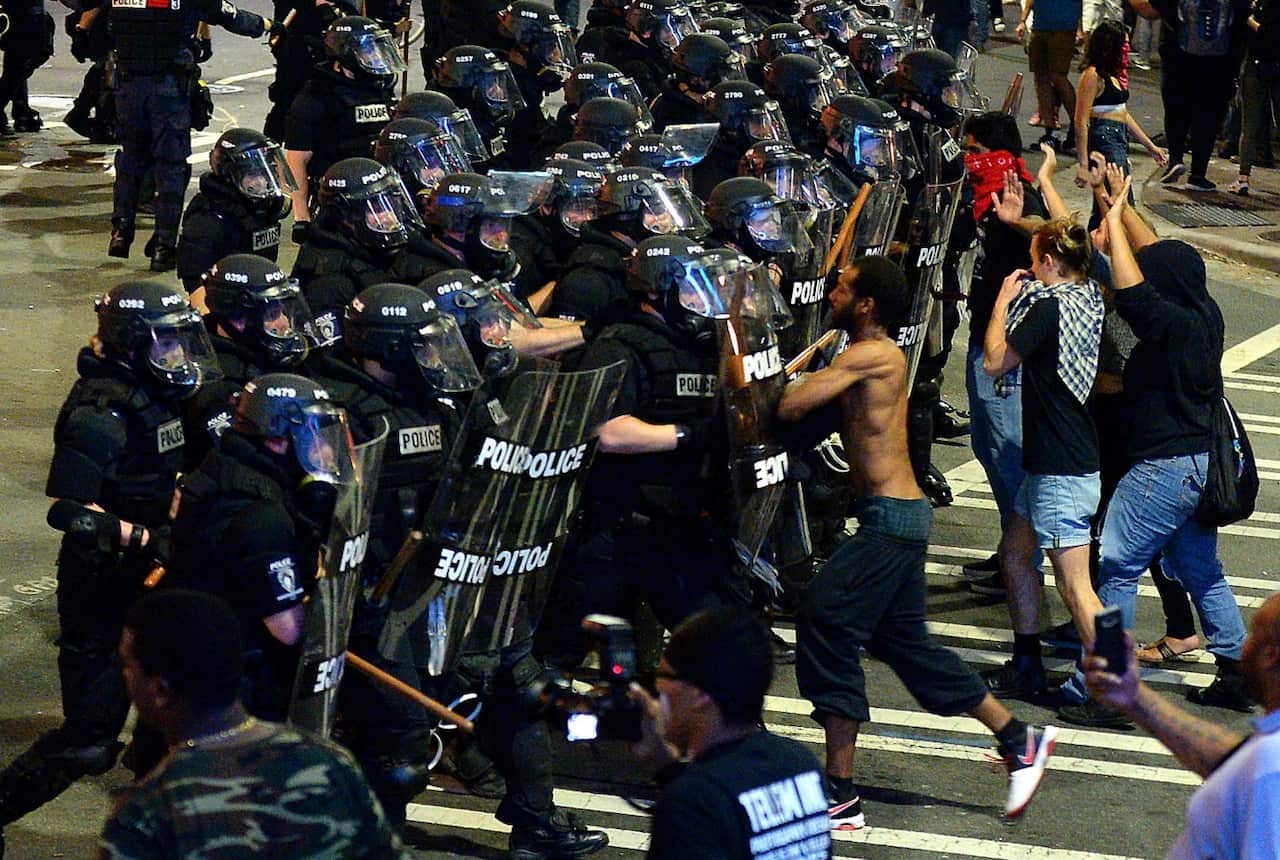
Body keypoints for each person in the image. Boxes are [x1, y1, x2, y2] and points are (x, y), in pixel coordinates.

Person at [778, 255, 1058, 830]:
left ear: (867, 304)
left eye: (842, 286)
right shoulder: (858, 349)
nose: (831, 290)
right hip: (895, 517)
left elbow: (791, 404)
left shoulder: (873, 355)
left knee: (825, 618)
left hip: (891, 522)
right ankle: (1017, 739)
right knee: (909, 647)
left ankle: (841, 794)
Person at [0, 282, 214, 848]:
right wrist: (142, 535)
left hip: (155, 576)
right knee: (91, 740)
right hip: (102, 580)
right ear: (130, 343)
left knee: (179, 718)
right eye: (165, 345)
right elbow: (69, 509)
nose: (177, 357)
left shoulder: (157, 394)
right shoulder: (101, 408)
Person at [1058, 182, 1251, 725]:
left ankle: (1108, 689)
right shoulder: (1202, 314)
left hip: (1162, 469)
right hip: (1195, 466)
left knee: (1116, 567)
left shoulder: (1166, 325)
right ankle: (1235, 669)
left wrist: (1116, 220)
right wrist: (1118, 207)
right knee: (1199, 568)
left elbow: (1137, 289)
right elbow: (1156, 257)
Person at [99, 589, 410, 859]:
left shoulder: (149, 814)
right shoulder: (329, 762)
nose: (125, 676)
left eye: (128, 665)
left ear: (160, 690)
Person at [166, 373, 353, 721]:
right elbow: (289, 631)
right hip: (234, 696)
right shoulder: (261, 517)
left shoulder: (224, 465)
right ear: (278, 440)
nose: (326, 451)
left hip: (194, 667)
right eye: (313, 437)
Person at [980, 218, 1107, 702]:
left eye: (1035, 261)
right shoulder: (1089, 294)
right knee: (1015, 552)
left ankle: (1114, 693)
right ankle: (1027, 663)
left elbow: (995, 362)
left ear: (1050, 263)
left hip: (1060, 469)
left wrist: (1001, 303)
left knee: (1077, 587)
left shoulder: (1048, 310)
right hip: (1059, 460)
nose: (1030, 270)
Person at [1085, 594, 1280, 859]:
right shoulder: (1266, 758)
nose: (1245, 644)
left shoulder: (1271, 772)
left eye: (1253, 634)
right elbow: (1235, 763)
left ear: (1269, 655)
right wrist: (1134, 698)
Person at [629, 607, 833, 859]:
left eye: (663, 676)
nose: (657, 690)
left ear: (699, 695)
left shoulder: (691, 804)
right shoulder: (800, 763)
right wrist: (666, 769)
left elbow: (709, 809)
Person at [106, 0, 275, 271]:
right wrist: (266, 26)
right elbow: (228, 15)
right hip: (168, 88)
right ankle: (164, 245)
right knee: (171, 166)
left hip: (128, 87)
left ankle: (121, 230)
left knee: (130, 159)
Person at [959, 112, 1048, 597]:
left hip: (1007, 355)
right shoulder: (983, 196)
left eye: (974, 150)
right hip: (983, 338)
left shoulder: (1017, 196)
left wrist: (1019, 223)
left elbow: (1051, 235)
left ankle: (1022, 559)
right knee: (988, 449)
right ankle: (1010, 550)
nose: (968, 159)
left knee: (1008, 453)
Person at [284, 16, 403, 237]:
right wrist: (302, 217)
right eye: (369, 51)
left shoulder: (380, 88)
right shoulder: (316, 96)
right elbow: (296, 160)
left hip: (381, 192)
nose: (376, 57)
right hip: (339, 200)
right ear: (346, 55)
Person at [291, 157, 420, 344]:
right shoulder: (329, 282)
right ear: (345, 216)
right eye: (376, 208)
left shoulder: (382, 248)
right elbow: (330, 359)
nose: (390, 216)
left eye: (390, 203)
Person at [1131, 0, 1251, 191]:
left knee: (1176, 108)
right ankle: (1198, 174)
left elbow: (1152, 9)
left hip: (1178, 56)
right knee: (1209, 115)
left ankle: (1176, 159)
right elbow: (1243, 17)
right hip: (1220, 62)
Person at [176, 128, 297, 293]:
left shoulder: (261, 210)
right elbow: (196, 287)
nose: (262, 182)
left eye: (267, 174)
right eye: (252, 175)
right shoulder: (207, 221)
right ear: (230, 174)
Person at [1072, 19, 1165, 227]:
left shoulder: (1113, 74)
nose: (1128, 49)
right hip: (1104, 142)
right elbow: (1081, 122)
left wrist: (1149, 146)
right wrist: (1084, 165)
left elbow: (1122, 113)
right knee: (1119, 202)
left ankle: (1095, 250)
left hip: (1118, 138)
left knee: (1108, 206)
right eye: (1123, 45)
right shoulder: (1093, 75)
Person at [1227, 0, 1279, 195]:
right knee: (1252, 123)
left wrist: (1249, 19)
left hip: (1257, 66)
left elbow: (1266, 33)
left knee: (1249, 124)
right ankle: (1242, 177)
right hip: (1266, 65)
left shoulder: (1258, 7)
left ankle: (1243, 178)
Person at [1015, 0, 1080, 150]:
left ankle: (1078, 125)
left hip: (1063, 28)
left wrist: (1081, 27)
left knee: (1057, 76)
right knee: (1041, 78)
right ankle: (1049, 131)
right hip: (1040, 26)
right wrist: (1023, 20)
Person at [0, 0, 51, 133]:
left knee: (16, 66)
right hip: (24, 18)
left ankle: (22, 112)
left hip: (22, 16)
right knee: (17, 69)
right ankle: (21, 113)